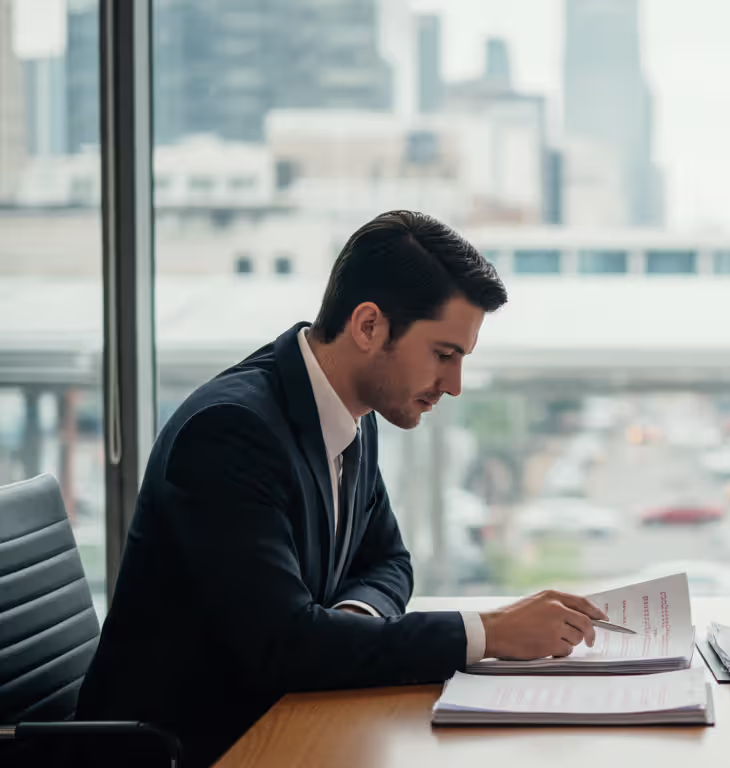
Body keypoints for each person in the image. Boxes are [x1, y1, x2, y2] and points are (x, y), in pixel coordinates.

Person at [78, 211, 609, 767]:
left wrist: (344, 629)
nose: (453, 386)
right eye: (443, 355)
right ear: (368, 326)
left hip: (283, 724)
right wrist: (487, 633)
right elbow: (286, 648)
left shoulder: (352, 412)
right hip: (187, 750)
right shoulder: (229, 434)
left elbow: (390, 562)